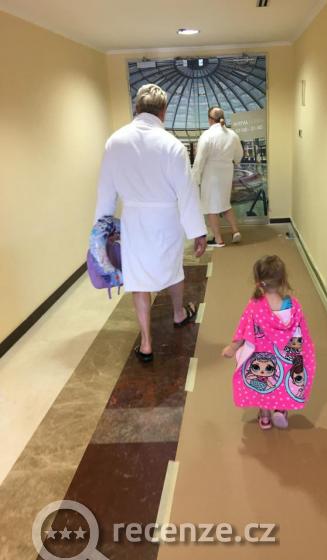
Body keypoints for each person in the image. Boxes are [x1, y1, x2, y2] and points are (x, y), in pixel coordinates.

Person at [95, 83, 207, 362]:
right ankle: (178, 314)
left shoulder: (115, 141)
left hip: (134, 221)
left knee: (138, 279)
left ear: (137, 108)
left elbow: (106, 190)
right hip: (166, 220)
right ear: (163, 111)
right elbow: (187, 192)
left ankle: (146, 343)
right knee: (173, 269)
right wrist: (198, 232)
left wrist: (100, 230)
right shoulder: (172, 145)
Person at [222, 255, 316, 429]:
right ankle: (280, 410)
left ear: (258, 281)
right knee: (284, 378)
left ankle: (265, 417)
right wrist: (301, 355)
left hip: (262, 354)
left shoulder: (255, 306)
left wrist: (233, 347)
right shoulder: (293, 306)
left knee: (265, 381)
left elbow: (243, 330)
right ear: (283, 280)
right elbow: (301, 332)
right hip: (287, 354)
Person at [192, 107, 244, 248]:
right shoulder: (232, 135)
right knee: (225, 204)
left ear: (210, 119)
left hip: (211, 175)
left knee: (211, 207)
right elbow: (239, 156)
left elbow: (199, 160)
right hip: (226, 173)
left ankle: (218, 240)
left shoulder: (207, 135)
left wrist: (195, 179)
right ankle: (235, 231)